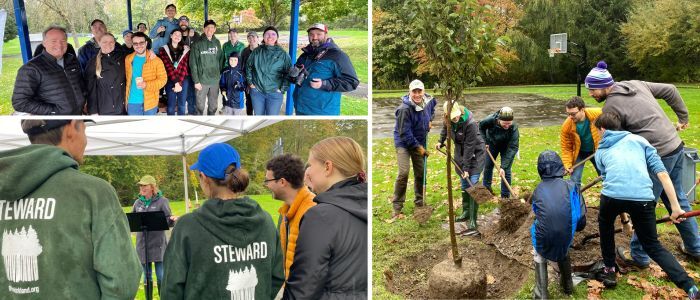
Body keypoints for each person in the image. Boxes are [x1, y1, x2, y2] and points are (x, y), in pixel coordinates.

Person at [0, 119, 141, 298]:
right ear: (71, 128)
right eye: (84, 129)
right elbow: (121, 283)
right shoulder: (93, 192)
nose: (85, 140)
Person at [583, 61, 700, 266]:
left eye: (592, 89)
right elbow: (671, 90)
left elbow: (616, 139)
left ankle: (639, 255)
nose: (591, 94)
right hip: (675, 146)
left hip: (658, 153)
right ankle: (695, 247)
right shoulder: (636, 83)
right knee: (678, 198)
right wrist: (683, 118)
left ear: (604, 85)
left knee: (644, 204)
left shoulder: (611, 106)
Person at [592, 112, 699, 298]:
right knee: (652, 245)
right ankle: (690, 287)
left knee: (606, 229)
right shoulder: (641, 142)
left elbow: (612, 182)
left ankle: (609, 270)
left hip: (611, 198)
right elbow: (663, 174)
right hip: (642, 199)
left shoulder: (601, 150)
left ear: (602, 129)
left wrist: (623, 219)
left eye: (598, 131)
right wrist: (675, 208)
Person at [162, 143, 284, 299]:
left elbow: (171, 288)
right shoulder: (265, 221)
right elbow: (277, 277)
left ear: (204, 178)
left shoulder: (187, 227)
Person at [283, 137, 368, 299]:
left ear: (327, 167)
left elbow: (303, 289)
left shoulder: (321, 217)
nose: (306, 172)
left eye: (310, 165)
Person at [530, 150, 586, 299]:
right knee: (563, 241)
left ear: (540, 170)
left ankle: (542, 293)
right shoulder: (572, 186)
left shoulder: (537, 190)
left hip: (543, 236)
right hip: (566, 234)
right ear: (560, 167)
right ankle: (567, 285)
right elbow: (581, 220)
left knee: (539, 252)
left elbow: (537, 212)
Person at [264, 154, 316, 280]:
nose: (266, 185)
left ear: (282, 182)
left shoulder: (312, 212)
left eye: (267, 181)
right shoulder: (286, 211)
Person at [12, 26, 85, 115]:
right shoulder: (31, 68)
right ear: (44, 43)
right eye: (53, 41)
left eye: (63, 41)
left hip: (77, 118)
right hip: (52, 125)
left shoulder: (73, 61)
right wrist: (54, 111)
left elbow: (81, 85)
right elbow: (20, 102)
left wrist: (84, 102)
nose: (59, 45)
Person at [391, 79, 437, 218]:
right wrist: (419, 148)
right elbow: (404, 133)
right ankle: (397, 206)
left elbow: (432, 109)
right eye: (414, 91)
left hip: (420, 141)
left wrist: (430, 120)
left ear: (423, 92)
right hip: (404, 143)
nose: (417, 94)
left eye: (419, 91)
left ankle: (419, 202)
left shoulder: (428, 102)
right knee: (404, 173)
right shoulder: (404, 109)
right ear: (409, 92)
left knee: (420, 173)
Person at [436, 101, 485, 232]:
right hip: (460, 154)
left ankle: (473, 219)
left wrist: (466, 168)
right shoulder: (447, 120)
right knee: (464, 185)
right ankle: (466, 213)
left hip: (475, 154)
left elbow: (470, 147)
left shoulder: (471, 124)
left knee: (473, 184)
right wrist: (440, 141)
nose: (455, 119)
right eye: (452, 117)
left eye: (456, 116)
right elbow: (444, 129)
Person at [291, 23, 359, 115]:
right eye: (311, 34)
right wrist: (293, 74)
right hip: (300, 108)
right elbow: (295, 74)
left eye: (319, 34)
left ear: (326, 35)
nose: (314, 37)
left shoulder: (337, 55)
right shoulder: (305, 55)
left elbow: (352, 81)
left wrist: (324, 84)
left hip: (323, 112)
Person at [132, 175, 177, 298]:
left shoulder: (163, 201)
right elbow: (133, 220)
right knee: (146, 276)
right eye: (141, 185)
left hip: (158, 244)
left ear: (152, 187)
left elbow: (168, 219)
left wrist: (172, 220)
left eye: (145, 185)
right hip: (142, 244)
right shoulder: (137, 203)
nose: (142, 188)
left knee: (161, 275)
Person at [246, 26, 291, 115]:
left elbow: (288, 73)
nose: (270, 36)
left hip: (275, 93)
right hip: (257, 92)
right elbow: (248, 66)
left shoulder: (283, 54)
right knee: (259, 117)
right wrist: (250, 83)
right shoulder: (257, 51)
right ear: (263, 37)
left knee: (272, 116)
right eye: (267, 34)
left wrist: (282, 88)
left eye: (273, 34)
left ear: (277, 37)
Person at [560, 96, 602, 186]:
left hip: (597, 150)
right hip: (579, 152)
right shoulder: (566, 126)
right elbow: (566, 148)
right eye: (568, 114)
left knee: (605, 176)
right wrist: (567, 164)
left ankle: (610, 197)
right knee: (574, 180)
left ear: (582, 109)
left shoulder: (598, 115)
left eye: (573, 114)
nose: (570, 117)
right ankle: (576, 199)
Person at [479, 106, 519, 198]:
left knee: (506, 171)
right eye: (505, 123)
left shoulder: (513, 128)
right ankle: (487, 190)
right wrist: (484, 141)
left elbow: (513, 147)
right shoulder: (490, 120)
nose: (507, 125)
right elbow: (481, 127)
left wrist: (503, 167)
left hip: (507, 146)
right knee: (488, 166)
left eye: (509, 123)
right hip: (492, 144)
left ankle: (505, 197)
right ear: (498, 120)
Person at [85, 33, 129, 115]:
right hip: (105, 108)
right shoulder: (93, 62)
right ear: (99, 43)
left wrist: (149, 53)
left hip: (123, 107)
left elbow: (137, 56)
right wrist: (93, 111)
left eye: (111, 42)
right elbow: (90, 90)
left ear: (115, 43)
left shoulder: (122, 57)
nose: (108, 44)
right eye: (105, 42)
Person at [125, 32, 167, 115]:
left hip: (150, 102)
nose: (138, 45)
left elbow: (163, 80)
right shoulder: (128, 59)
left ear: (146, 43)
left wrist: (147, 85)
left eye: (141, 43)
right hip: (132, 102)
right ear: (132, 45)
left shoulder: (156, 60)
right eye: (135, 43)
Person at [190, 19, 224, 115]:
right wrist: (196, 81)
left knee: (213, 106)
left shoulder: (217, 42)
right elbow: (193, 63)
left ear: (215, 29)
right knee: (200, 106)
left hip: (214, 81)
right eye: (208, 27)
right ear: (204, 29)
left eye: (212, 27)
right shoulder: (197, 44)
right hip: (202, 81)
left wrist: (218, 73)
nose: (210, 29)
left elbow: (220, 59)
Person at [158, 29, 190, 115]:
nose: (177, 36)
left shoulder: (186, 49)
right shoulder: (163, 49)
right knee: (171, 105)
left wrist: (179, 83)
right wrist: (176, 83)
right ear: (171, 36)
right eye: (175, 34)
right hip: (170, 80)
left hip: (183, 79)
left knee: (182, 105)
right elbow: (168, 66)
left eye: (179, 35)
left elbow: (184, 66)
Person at [240, 31, 259, 115]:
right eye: (249, 37)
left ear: (258, 38)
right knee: (249, 103)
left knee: (259, 105)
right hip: (249, 83)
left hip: (261, 83)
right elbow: (242, 67)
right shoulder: (244, 51)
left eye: (253, 37)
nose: (251, 39)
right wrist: (246, 82)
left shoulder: (263, 50)